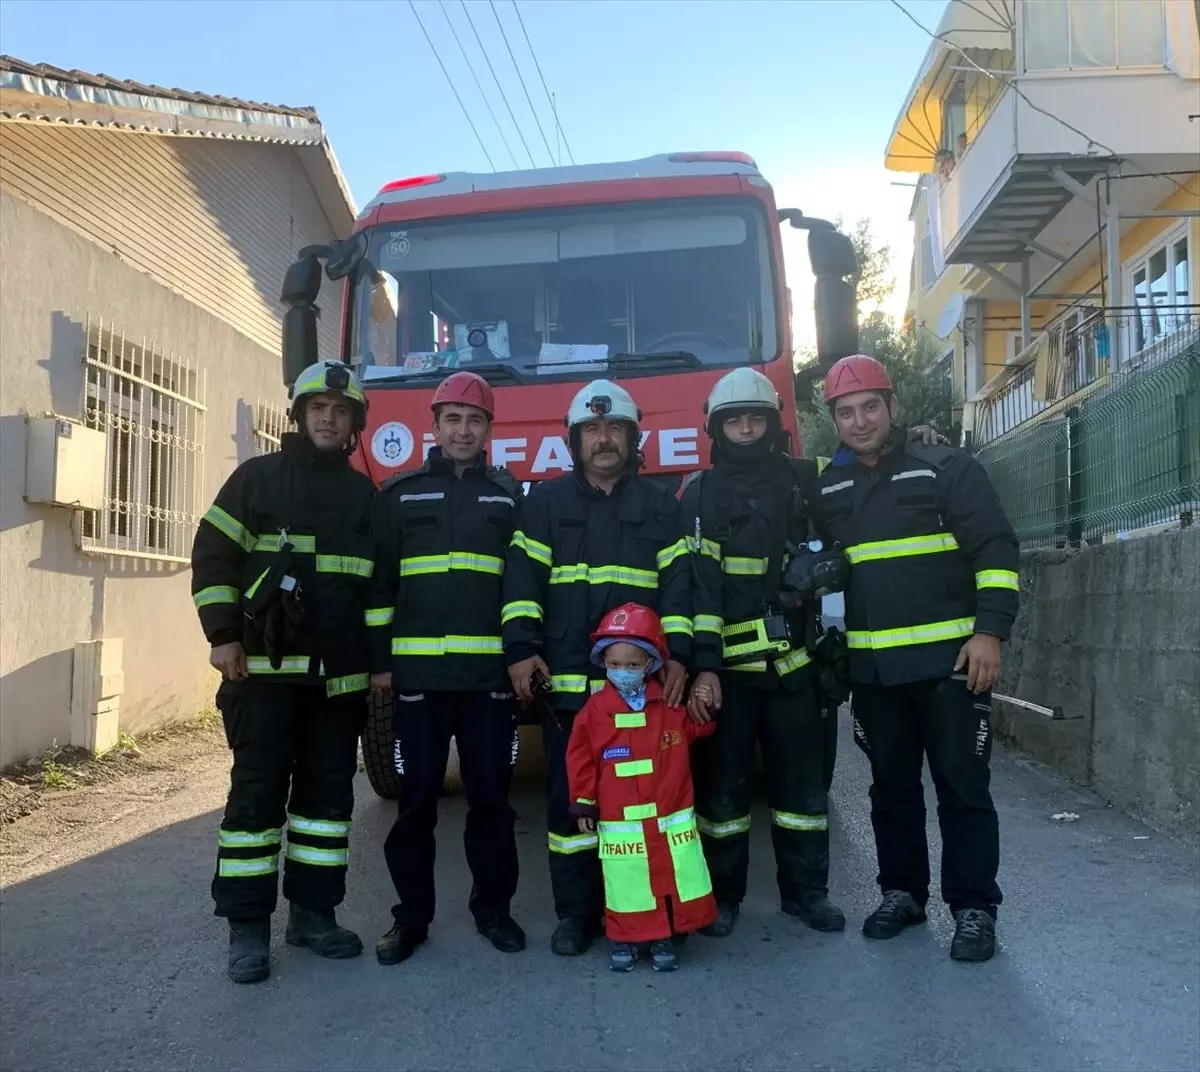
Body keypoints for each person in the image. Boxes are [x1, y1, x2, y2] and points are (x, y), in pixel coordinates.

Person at [811, 353, 1019, 962]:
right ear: (833, 421)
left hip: (952, 669)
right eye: (845, 412)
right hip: (875, 675)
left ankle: (974, 907)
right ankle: (902, 893)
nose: (859, 420)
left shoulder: (948, 467)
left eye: (870, 406)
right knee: (890, 791)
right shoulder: (829, 488)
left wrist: (991, 634)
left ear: (894, 407)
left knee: (963, 790)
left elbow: (997, 550)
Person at [190, 359, 375, 985]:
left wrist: (377, 666)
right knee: (257, 799)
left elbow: (377, 591)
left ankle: (313, 916)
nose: (328, 417)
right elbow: (213, 554)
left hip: (337, 684)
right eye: (318, 407)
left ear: (353, 424)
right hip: (263, 678)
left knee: (327, 805)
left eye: (341, 410)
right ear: (299, 414)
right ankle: (247, 930)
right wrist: (221, 636)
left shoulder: (363, 497)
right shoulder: (257, 480)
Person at [502, 378, 693, 957]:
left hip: (643, 691)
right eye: (592, 430)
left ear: (633, 438)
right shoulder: (544, 504)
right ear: (574, 440)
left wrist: (680, 656)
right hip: (569, 686)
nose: (603, 439)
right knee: (573, 805)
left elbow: (680, 590)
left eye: (613, 429)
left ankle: (655, 913)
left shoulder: (663, 506)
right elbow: (522, 585)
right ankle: (576, 914)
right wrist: (519, 649)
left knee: (652, 807)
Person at [682, 367, 846, 938]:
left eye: (755, 419)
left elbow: (870, 489)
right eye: (735, 421)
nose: (746, 430)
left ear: (773, 424)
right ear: (716, 428)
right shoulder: (698, 492)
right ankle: (723, 899)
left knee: (802, 791)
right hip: (728, 675)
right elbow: (698, 587)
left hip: (796, 668)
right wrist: (704, 669)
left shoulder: (810, 477)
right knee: (721, 798)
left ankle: (807, 895)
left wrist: (922, 439)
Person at [368, 371, 525, 965]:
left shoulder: (509, 498)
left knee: (491, 803)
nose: (463, 429)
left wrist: (517, 661)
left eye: (475, 419)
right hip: (418, 685)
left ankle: (494, 911)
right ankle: (410, 920)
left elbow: (521, 584)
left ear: (488, 430)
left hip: (488, 684)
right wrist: (381, 664)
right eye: (453, 419)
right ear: (433, 427)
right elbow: (380, 585)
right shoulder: (398, 494)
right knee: (415, 806)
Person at [566, 603, 717, 973]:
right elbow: (580, 756)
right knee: (626, 883)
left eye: (632, 665)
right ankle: (626, 938)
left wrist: (706, 708)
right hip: (622, 824)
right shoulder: (595, 710)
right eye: (614, 664)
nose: (622, 672)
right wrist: (583, 802)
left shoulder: (667, 705)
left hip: (667, 819)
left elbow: (695, 728)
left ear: (650, 664)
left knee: (668, 877)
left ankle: (665, 935)